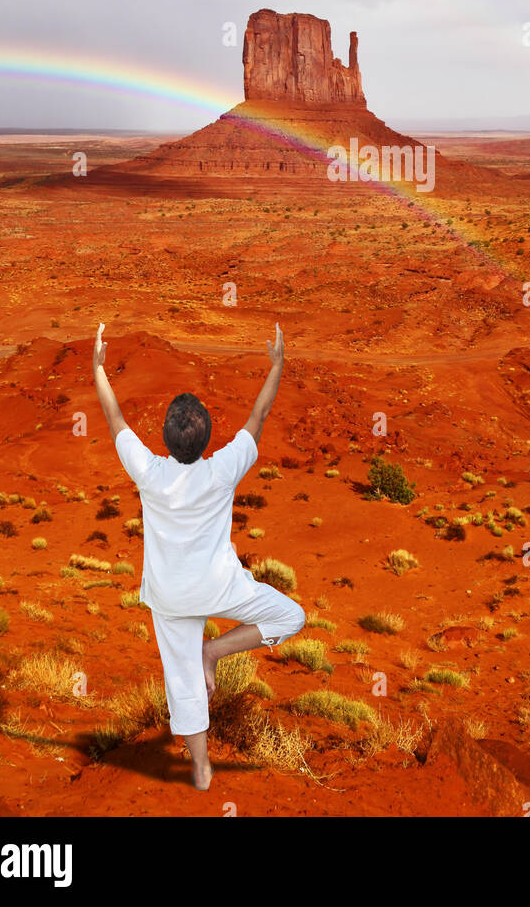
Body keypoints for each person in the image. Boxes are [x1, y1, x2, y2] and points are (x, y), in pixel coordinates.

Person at [91, 320, 304, 790]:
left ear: (166, 438)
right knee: (290, 617)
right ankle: (215, 651)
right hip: (219, 586)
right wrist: (277, 365)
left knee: (182, 682)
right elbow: (258, 417)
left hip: (168, 595)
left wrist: (100, 369)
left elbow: (115, 420)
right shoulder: (223, 469)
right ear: (207, 439)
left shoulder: (148, 471)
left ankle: (202, 770)